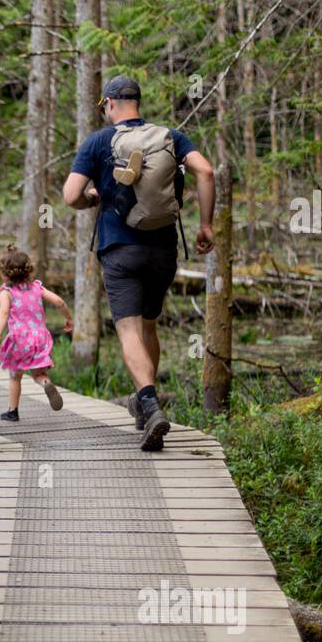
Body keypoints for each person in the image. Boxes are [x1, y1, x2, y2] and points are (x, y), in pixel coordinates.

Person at [62, 75, 215, 451]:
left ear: (110, 103)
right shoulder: (171, 137)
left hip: (120, 252)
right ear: (138, 102)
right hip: (162, 251)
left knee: (128, 330)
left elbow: (69, 196)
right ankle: (147, 407)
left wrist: (92, 199)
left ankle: (147, 401)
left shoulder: (99, 142)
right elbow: (206, 172)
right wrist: (206, 225)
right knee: (149, 327)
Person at [0, 246, 72, 422]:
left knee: (15, 376)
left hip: (19, 339)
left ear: (5, 273)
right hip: (40, 337)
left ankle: (13, 411)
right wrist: (68, 318)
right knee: (38, 373)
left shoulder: (7, 291)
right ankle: (46, 383)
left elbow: (3, 313)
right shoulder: (37, 287)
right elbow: (59, 301)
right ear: (28, 270)